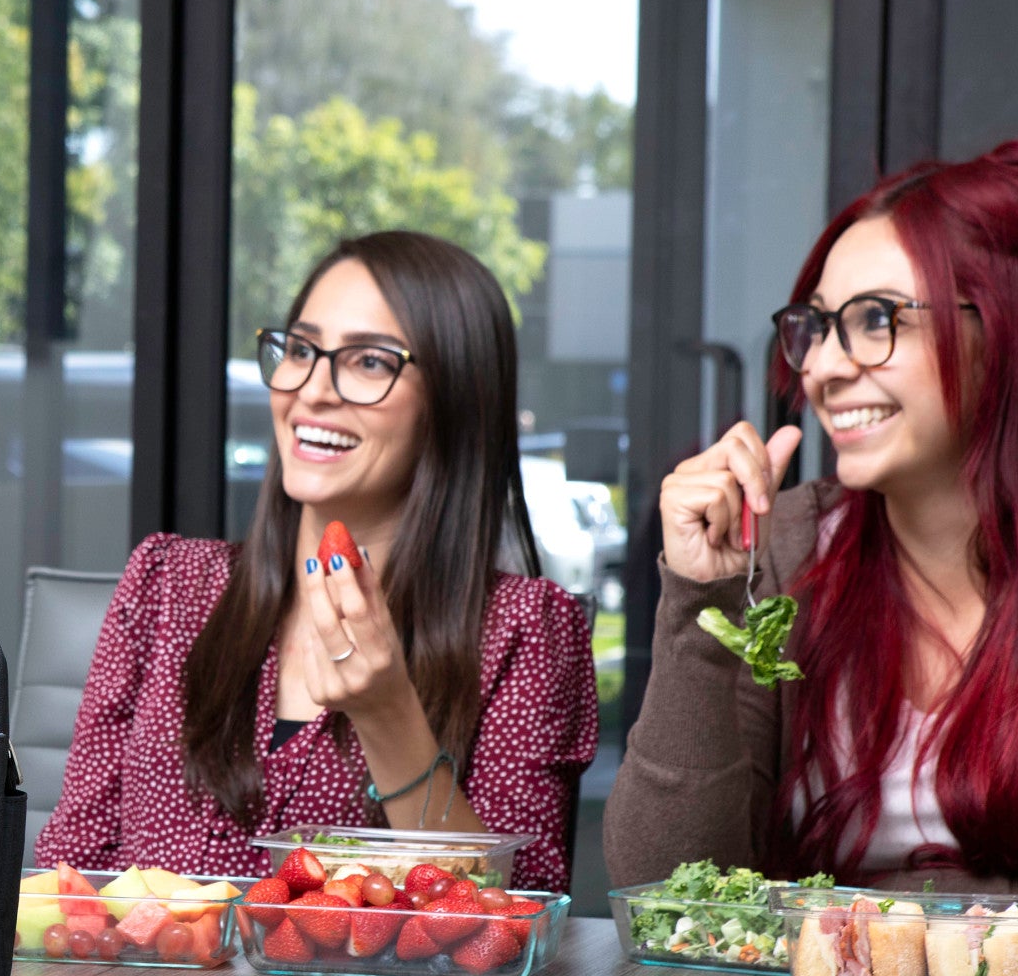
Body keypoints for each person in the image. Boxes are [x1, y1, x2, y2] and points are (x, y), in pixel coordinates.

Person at [35, 231, 600, 891]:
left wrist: (389, 715)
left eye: (367, 362)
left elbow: (512, 919)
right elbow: (66, 878)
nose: (312, 390)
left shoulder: (527, 631)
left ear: (454, 401)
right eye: (301, 349)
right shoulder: (167, 584)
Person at [606, 134, 1018, 913]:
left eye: (876, 318)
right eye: (816, 326)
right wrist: (699, 599)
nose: (819, 366)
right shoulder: (783, 547)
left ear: (1010, 330)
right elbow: (666, 891)